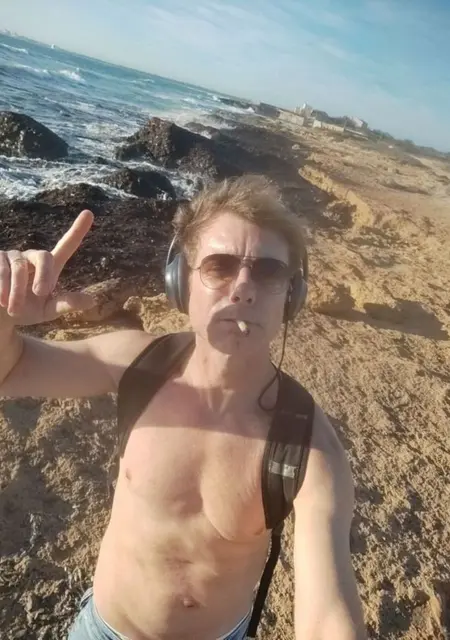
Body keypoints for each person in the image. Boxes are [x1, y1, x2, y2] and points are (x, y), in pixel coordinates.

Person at [0, 176, 367, 640]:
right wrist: (3, 318)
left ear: (291, 297)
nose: (244, 288)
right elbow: (11, 371)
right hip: (100, 628)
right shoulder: (138, 363)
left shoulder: (308, 448)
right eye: (219, 266)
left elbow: (327, 617)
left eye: (269, 272)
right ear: (180, 282)